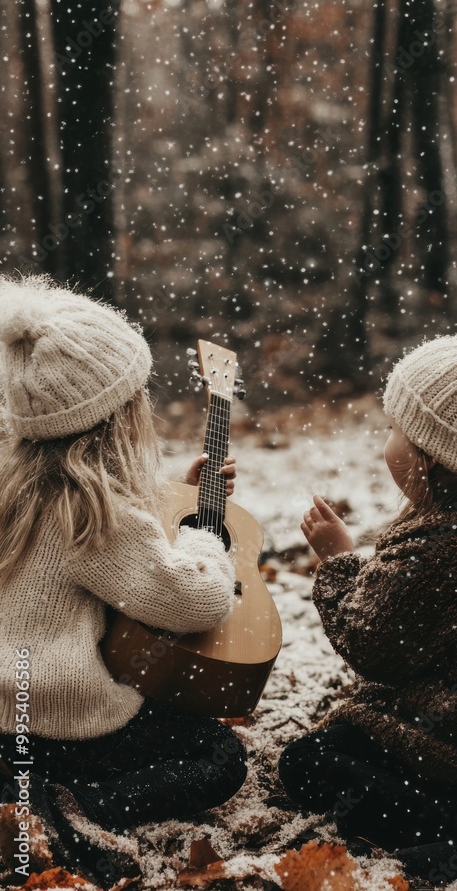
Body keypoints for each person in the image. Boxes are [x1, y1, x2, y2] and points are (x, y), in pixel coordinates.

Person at [278, 289, 457, 887]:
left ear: (436, 458)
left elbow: (373, 644)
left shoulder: (441, 549)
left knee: (312, 762)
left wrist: (338, 562)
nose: (387, 443)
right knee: (353, 725)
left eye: (396, 429)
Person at [0, 273, 247, 887]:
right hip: (66, 722)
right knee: (220, 758)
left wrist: (175, 493)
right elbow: (197, 599)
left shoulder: (16, 487)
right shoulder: (96, 515)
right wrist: (204, 534)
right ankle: (80, 802)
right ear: (118, 418)